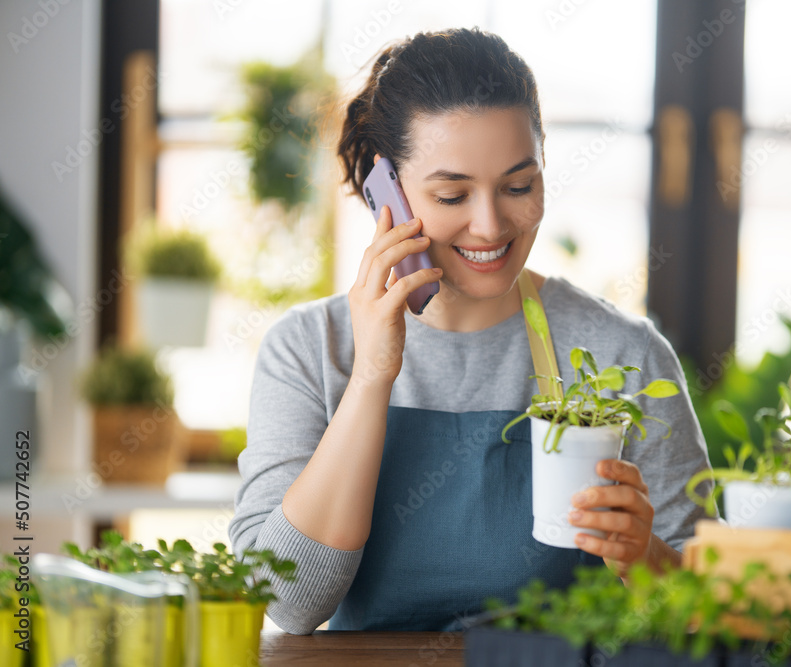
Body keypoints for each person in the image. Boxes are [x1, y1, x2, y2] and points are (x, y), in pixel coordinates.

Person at [229, 26, 712, 635]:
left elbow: (710, 611)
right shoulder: (308, 350)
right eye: (452, 194)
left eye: (518, 186)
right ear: (390, 192)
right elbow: (289, 602)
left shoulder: (624, 352)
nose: (489, 225)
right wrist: (373, 377)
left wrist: (645, 557)